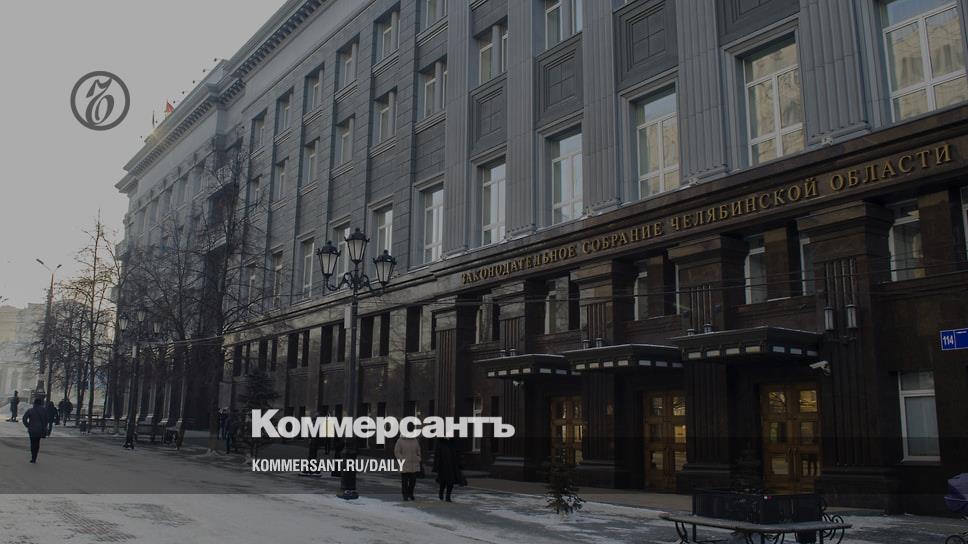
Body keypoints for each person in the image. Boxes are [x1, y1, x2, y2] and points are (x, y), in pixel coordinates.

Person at [432, 437, 466, 502]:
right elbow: (437, 455)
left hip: (452, 466)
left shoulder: (453, 442)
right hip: (443, 466)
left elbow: (458, 453)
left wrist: (460, 464)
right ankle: (441, 492)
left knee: (451, 482)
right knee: (443, 482)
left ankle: (448, 496)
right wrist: (436, 466)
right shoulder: (440, 443)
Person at [394, 433, 422, 501]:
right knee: (405, 481)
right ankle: (405, 495)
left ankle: (410, 493)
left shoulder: (415, 440)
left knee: (413, 481)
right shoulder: (400, 440)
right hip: (404, 464)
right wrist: (401, 459)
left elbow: (418, 451)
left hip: (414, 464)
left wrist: (418, 458)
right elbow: (397, 452)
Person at [22, 397, 48, 463]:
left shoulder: (30, 410)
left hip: (32, 430)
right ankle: (35, 456)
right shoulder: (44, 410)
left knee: (32, 443)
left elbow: (24, 419)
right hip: (40, 430)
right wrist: (44, 427)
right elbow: (46, 420)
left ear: (34, 403)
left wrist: (28, 425)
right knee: (37, 443)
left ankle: (33, 457)